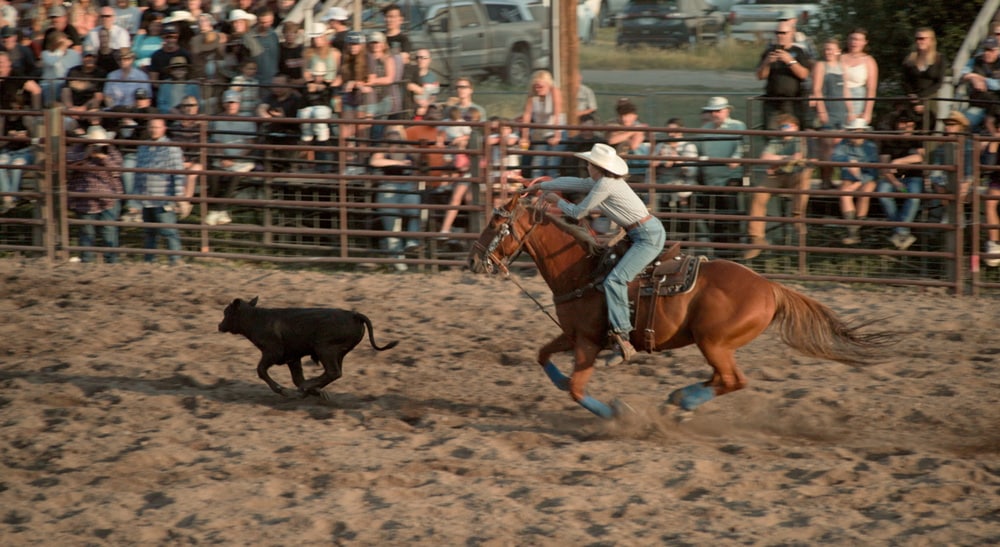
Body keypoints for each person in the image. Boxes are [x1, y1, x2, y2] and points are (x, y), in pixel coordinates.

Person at [533, 142, 666, 366]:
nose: (587, 166)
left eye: (589, 163)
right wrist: (539, 186)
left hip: (646, 237)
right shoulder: (603, 182)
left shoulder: (605, 185)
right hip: (641, 232)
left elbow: (578, 212)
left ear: (596, 166)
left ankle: (623, 337)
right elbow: (573, 182)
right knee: (606, 272)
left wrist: (557, 200)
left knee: (615, 280)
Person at [744, 113, 810, 260]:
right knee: (758, 193)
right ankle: (757, 238)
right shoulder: (776, 141)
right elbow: (764, 157)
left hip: (794, 176)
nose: (783, 129)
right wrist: (786, 159)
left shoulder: (799, 139)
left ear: (796, 127)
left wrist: (776, 162)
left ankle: (797, 217)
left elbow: (798, 157)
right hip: (778, 175)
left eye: (787, 126)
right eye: (781, 127)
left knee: (804, 178)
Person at [135, 117, 188, 265]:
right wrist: (136, 195)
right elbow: (138, 173)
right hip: (146, 197)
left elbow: (178, 173)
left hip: (164, 197)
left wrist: (178, 196)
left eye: (157, 127)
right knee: (149, 231)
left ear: (164, 129)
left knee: (168, 230)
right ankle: (150, 259)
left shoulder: (171, 148)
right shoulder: (143, 148)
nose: (154, 130)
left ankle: (175, 259)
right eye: (151, 127)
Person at [696, 96, 746, 255]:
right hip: (710, 179)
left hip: (730, 178)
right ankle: (720, 252)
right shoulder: (705, 129)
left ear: (727, 111)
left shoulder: (738, 126)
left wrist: (735, 159)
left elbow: (741, 148)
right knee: (714, 218)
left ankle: (733, 251)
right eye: (712, 111)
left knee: (730, 215)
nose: (715, 114)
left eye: (718, 110)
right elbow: (698, 151)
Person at [66, 125, 124, 263]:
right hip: (84, 198)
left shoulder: (111, 150)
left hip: (108, 196)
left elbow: (118, 170)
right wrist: (86, 155)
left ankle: (111, 261)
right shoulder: (79, 148)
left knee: (108, 230)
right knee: (87, 231)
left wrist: (104, 158)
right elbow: (67, 162)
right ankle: (87, 260)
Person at [370, 124, 419, 271]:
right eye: (392, 133)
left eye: (397, 133)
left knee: (415, 209)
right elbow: (374, 161)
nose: (395, 136)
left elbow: (419, 163)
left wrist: (414, 179)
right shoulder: (383, 150)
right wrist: (398, 162)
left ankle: (412, 240)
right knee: (392, 225)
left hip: (407, 186)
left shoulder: (409, 149)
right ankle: (398, 262)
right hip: (388, 186)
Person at [207, 89, 257, 226]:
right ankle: (220, 211)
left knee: (235, 176)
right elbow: (217, 142)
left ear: (239, 104)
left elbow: (250, 144)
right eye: (228, 102)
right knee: (213, 176)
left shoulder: (247, 121)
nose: (231, 105)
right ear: (224, 104)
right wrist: (222, 157)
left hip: (240, 159)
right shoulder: (219, 121)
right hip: (222, 158)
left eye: (234, 102)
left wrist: (234, 159)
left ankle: (217, 210)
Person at [877, 110, 925, 251]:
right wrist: (896, 183)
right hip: (894, 179)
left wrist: (898, 161)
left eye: (910, 124)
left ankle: (899, 232)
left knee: (914, 197)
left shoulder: (917, 139)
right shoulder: (888, 141)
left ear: (914, 126)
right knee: (883, 193)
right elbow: (884, 167)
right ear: (897, 124)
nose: (906, 127)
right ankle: (903, 232)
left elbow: (920, 157)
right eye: (903, 123)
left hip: (913, 177)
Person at [756, 18, 813, 129]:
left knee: (791, 133)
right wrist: (767, 63)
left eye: (783, 33)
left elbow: (804, 75)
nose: (779, 36)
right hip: (772, 101)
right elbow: (760, 76)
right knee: (771, 133)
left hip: (792, 101)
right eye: (777, 33)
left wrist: (790, 61)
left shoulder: (799, 51)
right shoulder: (769, 52)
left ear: (791, 33)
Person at [831, 118, 879, 245]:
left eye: (859, 131)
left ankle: (857, 230)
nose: (856, 135)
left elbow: (873, 171)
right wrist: (849, 161)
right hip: (849, 178)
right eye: (853, 131)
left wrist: (859, 181)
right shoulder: (843, 143)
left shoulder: (870, 146)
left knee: (865, 193)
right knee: (844, 193)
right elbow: (834, 158)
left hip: (867, 178)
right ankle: (853, 232)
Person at [811, 37, 847, 186]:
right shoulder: (821, 65)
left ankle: (841, 181)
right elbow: (817, 89)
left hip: (841, 111)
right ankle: (825, 180)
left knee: (840, 147)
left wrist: (850, 111)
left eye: (831, 49)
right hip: (827, 109)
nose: (828, 52)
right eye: (826, 49)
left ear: (838, 51)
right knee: (826, 147)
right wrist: (821, 111)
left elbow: (845, 90)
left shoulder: (842, 66)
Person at [929, 111, 974, 226]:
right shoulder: (941, 145)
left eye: (952, 125)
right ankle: (954, 215)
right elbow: (936, 167)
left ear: (961, 127)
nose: (948, 127)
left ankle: (954, 216)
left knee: (961, 188)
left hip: (963, 179)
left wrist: (966, 182)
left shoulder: (968, 144)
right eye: (947, 125)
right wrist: (937, 182)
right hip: (946, 179)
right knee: (941, 186)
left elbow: (970, 167)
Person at [519, 69, 563, 178]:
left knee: (552, 164)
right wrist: (525, 137)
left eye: (540, 86)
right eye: (535, 86)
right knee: (538, 164)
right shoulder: (532, 96)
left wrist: (557, 135)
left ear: (548, 84)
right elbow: (527, 116)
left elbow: (557, 114)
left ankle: (553, 188)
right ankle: (537, 187)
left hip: (556, 129)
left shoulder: (554, 92)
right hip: (540, 131)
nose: (537, 89)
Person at [901, 28, 947, 127]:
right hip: (912, 100)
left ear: (931, 40)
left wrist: (921, 98)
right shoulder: (910, 59)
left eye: (922, 38)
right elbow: (904, 81)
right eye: (917, 39)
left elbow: (939, 83)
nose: (919, 41)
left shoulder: (939, 59)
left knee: (928, 128)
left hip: (930, 99)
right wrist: (913, 97)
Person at [651, 118, 698, 209]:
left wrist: (677, 160)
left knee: (683, 213)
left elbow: (692, 171)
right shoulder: (660, 146)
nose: (670, 134)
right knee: (664, 213)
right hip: (663, 188)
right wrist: (660, 161)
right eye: (668, 131)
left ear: (682, 130)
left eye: (674, 131)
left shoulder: (688, 146)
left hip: (682, 188)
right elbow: (651, 165)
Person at [960, 37, 1000, 135]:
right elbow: (963, 74)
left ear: (997, 51)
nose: (987, 53)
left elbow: (997, 85)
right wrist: (972, 78)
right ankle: (990, 126)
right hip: (979, 98)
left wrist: (979, 78)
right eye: (985, 50)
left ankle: (990, 127)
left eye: (990, 50)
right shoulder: (976, 60)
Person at [605, 97, 650, 185]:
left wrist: (622, 136)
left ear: (635, 116)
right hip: (619, 166)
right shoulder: (613, 124)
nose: (624, 118)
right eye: (622, 115)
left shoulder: (638, 126)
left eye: (627, 115)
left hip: (637, 166)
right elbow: (612, 139)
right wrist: (633, 131)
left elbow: (633, 145)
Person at [840, 28, 877, 126]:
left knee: (854, 127)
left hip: (858, 98)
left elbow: (871, 89)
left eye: (858, 40)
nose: (854, 42)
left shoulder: (869, 61)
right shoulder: (839, 58)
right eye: (852, 39)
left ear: (865, 42)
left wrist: (867, 112)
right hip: (838, 96)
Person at [61, 47, 106, 112]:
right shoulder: (73, 71)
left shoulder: (101, 73)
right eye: (87, 57)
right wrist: (70, 108)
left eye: (93, 57)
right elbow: (66, 91)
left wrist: (82, 108)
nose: (90, 59)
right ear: (82, 57)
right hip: (72, 107)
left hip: (90, 108)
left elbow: (98, 97)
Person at [403, 48, 438, 118]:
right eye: (417, 57)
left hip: (426, 114)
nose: (419, 60)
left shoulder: (433, 77)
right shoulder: (409, 74)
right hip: (410, 113)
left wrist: (426, 105)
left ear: (429, 60)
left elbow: (433, 96)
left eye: (423, 58)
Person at [250, 9, 279, 88]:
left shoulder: (274, 35)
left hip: (274, 82)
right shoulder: (249, 37)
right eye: (262, 22)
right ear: (257, 21)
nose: (265, 25)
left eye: (269, 22)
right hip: (256, 82)